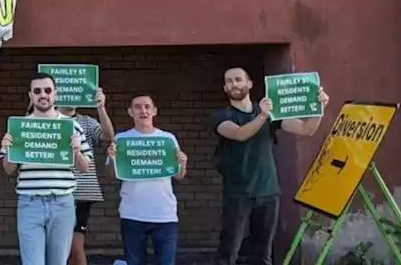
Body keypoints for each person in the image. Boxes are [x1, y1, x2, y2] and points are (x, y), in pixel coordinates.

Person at [210, 67, 329, 265]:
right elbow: (240, 134)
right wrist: (263, 116)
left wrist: (318, 108)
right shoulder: (221, 116)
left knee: (263, 253)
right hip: (238, 193)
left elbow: (305, 129)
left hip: (268, 191)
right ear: (225, 88)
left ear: (249, 84)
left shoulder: (271, 113)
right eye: (229, 81)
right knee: (228, 252)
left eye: (238, 79)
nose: (234, 84)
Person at [0, 73, 91, 265]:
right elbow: (8, 169)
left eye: (48, 90)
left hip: (62, 203)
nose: (43, 95)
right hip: (30, 204)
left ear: (55, 94)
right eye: (37, 91)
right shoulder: (18, 128)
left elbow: (85, 167)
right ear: (30, 95)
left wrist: (75, 152)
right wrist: (8, 150)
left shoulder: (72, 126)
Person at [105, 94, 188, 265]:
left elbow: (178, 175)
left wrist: (183, 164)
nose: (143, 110)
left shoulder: (168, 139)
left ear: (154, 111)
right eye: (137, 107)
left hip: (164, 214)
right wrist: (112, 159)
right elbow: (112, 175)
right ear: (130, 112)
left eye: (147, 106)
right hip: (132, 213)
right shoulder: (121, 140)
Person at [59, 88, 114, 265]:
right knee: (56, 247)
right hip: (53, 190)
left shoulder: (87, 122)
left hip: (82, 192)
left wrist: (101, 107)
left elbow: (108, 136)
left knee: (76, 247)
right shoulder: (46, 121)